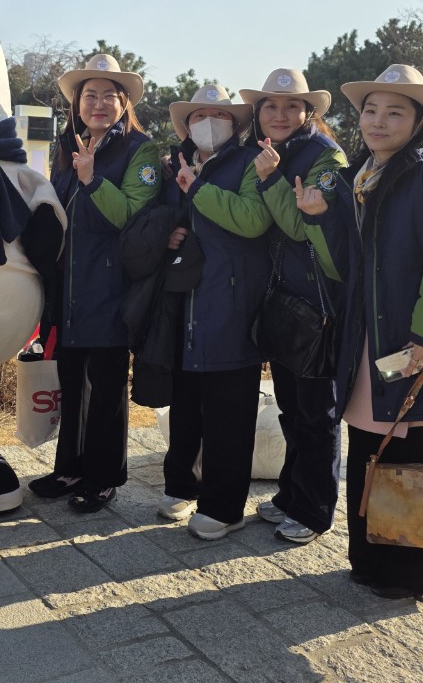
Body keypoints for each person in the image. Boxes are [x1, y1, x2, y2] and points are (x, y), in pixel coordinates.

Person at [296, 64, 423, 599]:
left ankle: (407, 574)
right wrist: (317, 219)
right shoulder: (359, 178)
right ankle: (369, 559)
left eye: (394, 113)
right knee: (373, 447)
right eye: (370, 111)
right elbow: (345, 266)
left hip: (422, 342)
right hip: (373, 341)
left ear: (419, 123)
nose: (378, 121)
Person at [29, 54, 159, 512]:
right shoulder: (68, 146)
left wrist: (91, 180)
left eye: (109, 96)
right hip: (68, 290)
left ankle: (103, 477)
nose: (98, 104)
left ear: (124, 104)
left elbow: (132, 216)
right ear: (77, 104)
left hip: (111, 288)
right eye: (90, 96)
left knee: (106, 388)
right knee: (72, 384)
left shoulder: (140, 150)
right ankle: (70, 468)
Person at [155, 85, 272, 540]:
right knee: (185, 405)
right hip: (183, 304)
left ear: (236, 123)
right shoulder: (175, 165)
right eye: (198, 115)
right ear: (186, 126)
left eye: (219, 115)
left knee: (229, 412)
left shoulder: (249, 163)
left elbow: (252, 220)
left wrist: (198, 189)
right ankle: (181, 485)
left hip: (231, 303)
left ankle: (225, 507)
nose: (208, 122)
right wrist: (169, 234)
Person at [238, 69, 347, 545]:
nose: (279, 114)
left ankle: (316, 509)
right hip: (285, 301)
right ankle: (290, 493)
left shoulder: (326, 156)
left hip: (317, 304)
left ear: (309, 112)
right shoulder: (269, 150)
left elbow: (304, 228)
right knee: (290, 408)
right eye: (270, 105)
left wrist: (268, 180)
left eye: (291, 106)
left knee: (317, 413)